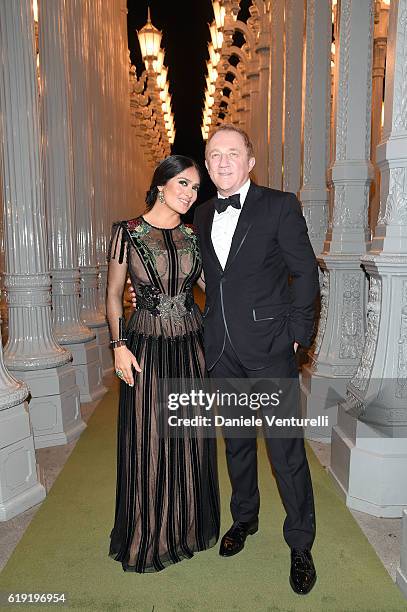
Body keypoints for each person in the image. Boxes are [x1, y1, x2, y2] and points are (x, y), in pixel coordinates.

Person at [193, 125, 319, 595]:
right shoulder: (203, 215)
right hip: (222, 352)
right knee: (238, 443)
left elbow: (304, 272)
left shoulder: (280, 205)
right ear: (207, 167)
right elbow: (212, 279)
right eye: (213, 156)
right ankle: (244, 517)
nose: (222, 162)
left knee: (285, 450)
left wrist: (295, 336)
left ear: (250, 162)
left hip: (270, 350)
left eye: (232, 154)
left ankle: (301, 541)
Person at [106, 155, 220, 573]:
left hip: (192, 347)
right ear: (161, 185)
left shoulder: (193, 237)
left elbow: (214, 287)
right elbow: (114, 294)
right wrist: (118, 345)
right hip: (146, 348)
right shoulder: (128, 233)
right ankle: (149, 533)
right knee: (149, 439)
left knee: (189, 439)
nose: (190, 194)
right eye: (184, 184)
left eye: (195, 187)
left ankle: (187, 529)